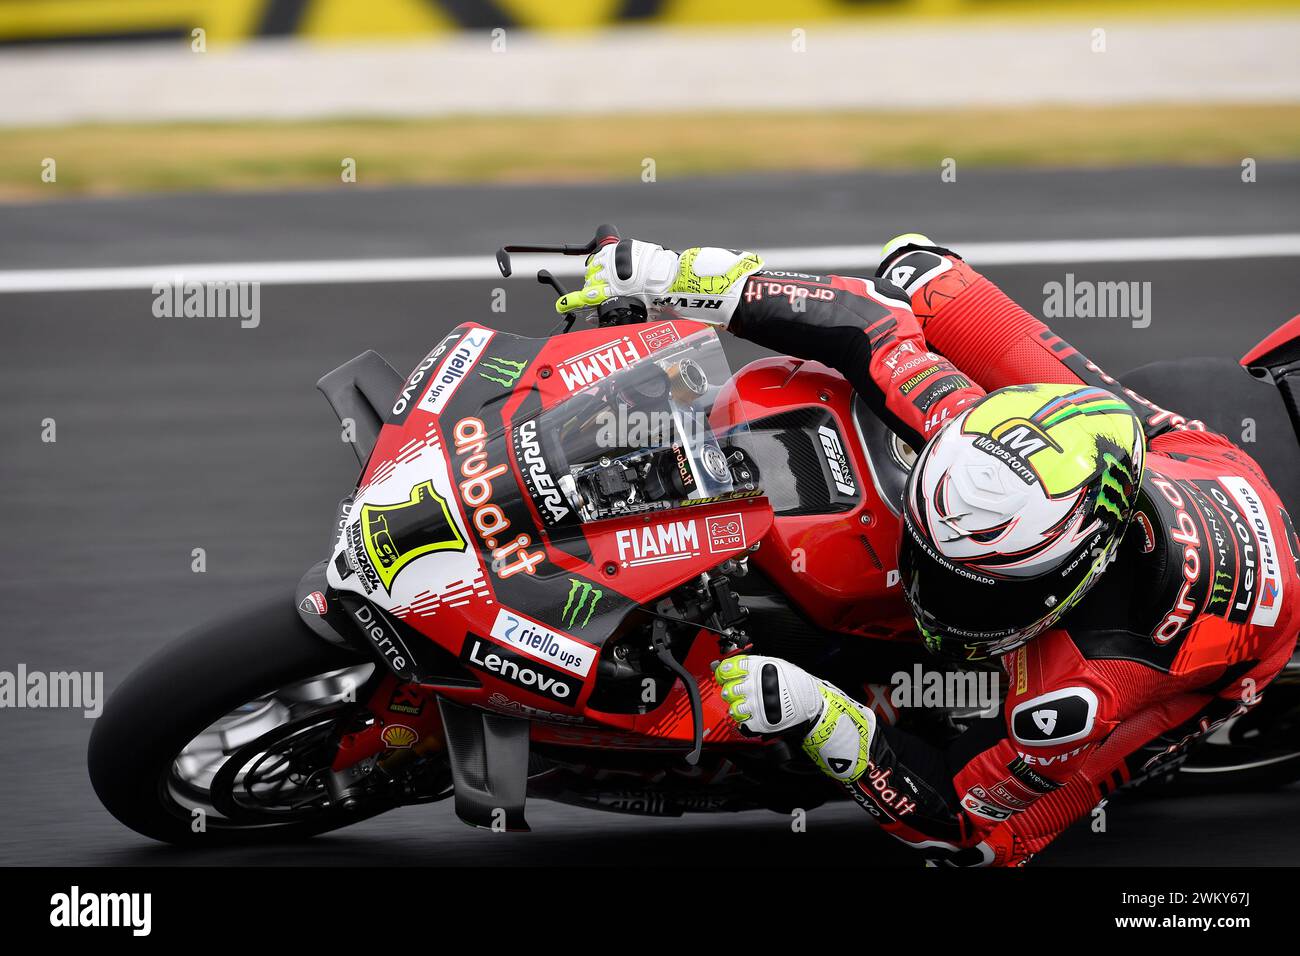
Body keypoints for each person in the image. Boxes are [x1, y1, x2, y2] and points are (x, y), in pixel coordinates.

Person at [554, 234, 1300, 865]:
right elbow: (862, 323)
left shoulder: (1083, 688)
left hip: (1232, 644)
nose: (927, 593)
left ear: (1066, 580)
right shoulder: (968, 426)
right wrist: (688, 279)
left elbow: (962, 817)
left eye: (971, 587)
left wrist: (823, 717)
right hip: (1192, 459)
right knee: (919, 274)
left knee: (994, 847)